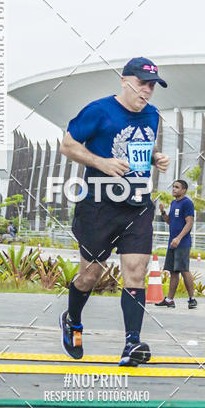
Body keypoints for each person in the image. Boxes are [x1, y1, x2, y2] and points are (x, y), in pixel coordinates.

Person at [58, 57, 170, 366]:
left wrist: (155, 159)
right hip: (98, 204)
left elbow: (136, 153)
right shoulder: (99, 111)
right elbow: (67, 146)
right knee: (91, 274)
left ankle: (131, 344)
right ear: (125, 80)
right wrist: (101, 163)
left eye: (152, 86)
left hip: (136, 205)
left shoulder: (153, 115)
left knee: (135, 271)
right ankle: (72, 319)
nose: (146, 92)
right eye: (142, 84)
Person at [156, 179, 197, 309]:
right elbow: (169, 221)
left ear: (184, 190)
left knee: (184, 270)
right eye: (173, 187)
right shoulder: (174, 203)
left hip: (182, 243)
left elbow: (189, 223)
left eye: (177, 187)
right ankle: (169, 300)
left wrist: (179, 238)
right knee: (173, 272)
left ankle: (192, 299)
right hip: (172, 243)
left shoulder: (187, 203)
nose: (174, 189)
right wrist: (163, 212)